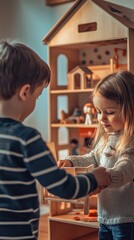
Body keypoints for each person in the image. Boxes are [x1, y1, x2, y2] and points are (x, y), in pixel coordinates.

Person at [0, 39, 110, 240]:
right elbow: (62, 187)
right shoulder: (27, 139)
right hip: (16, 235)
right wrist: (95, 178)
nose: (36, 100)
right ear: (25, 92)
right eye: (38, 96)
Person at [58, 70, 134, 240]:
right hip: (105, 215)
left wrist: (105, 177)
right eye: (99, 111)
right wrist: (70, 162)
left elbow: (126, 169)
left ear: (130, 110)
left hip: (126, 218)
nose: (101, 118)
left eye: (109, 112)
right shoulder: (107, 137)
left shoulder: (130, 141)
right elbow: (92, 157)